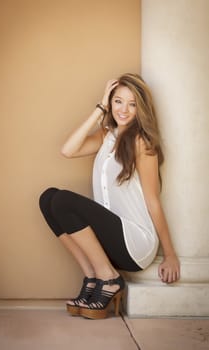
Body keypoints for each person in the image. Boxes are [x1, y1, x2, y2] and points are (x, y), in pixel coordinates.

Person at [39, 73, 180, 320]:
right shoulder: (107, 136)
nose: (124, 109)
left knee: (63, 200)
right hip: (110, 241)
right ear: (110, 103)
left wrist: (170, 255)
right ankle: (94, 278)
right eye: (118, 101)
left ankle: (111, 279)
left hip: (135, 243)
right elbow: (67, 150)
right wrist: (100, 106)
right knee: (48, 198)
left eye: (132, 103)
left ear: (141, 108)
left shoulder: (141, 143)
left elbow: (153, 200)